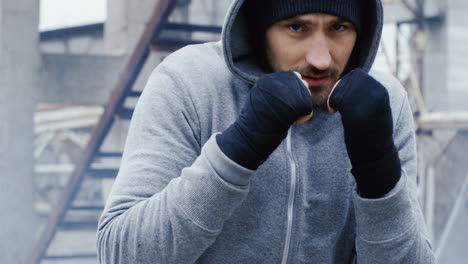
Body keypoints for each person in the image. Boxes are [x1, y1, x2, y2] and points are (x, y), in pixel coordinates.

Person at [97, 0, 435, 263]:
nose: (320, 59)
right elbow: (121, 253)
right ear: (261, 29)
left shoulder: (386, 102)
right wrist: (238, 148)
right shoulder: (188, 82)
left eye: (339, 28)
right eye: (296, 27)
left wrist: (380, 174)